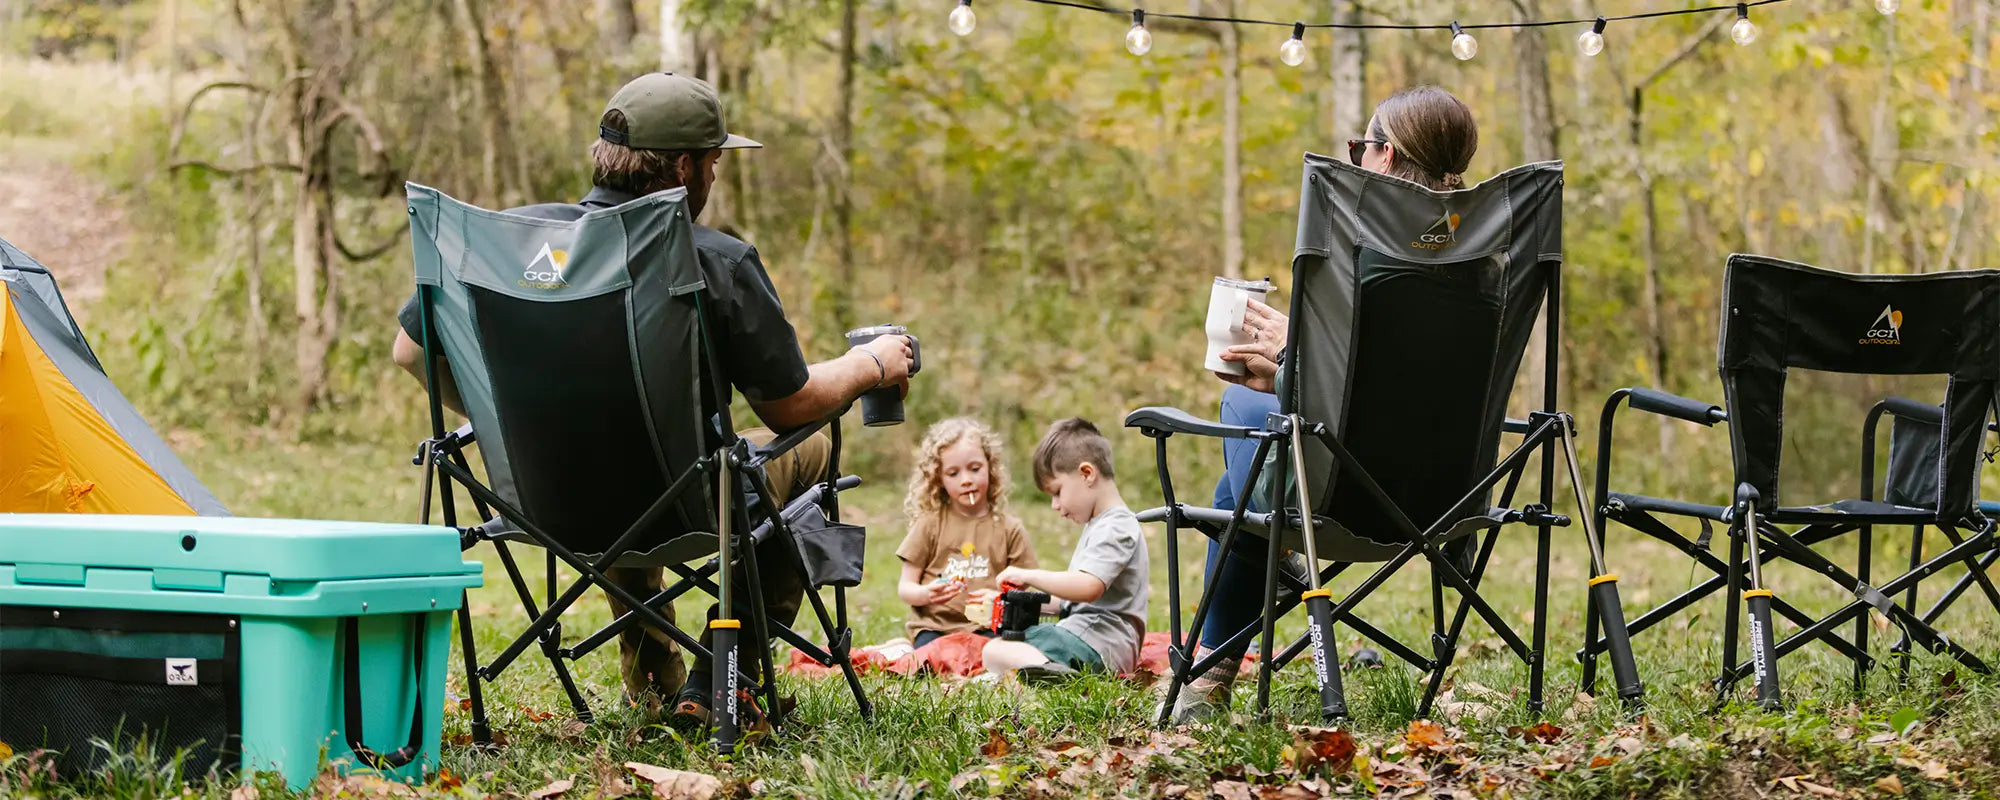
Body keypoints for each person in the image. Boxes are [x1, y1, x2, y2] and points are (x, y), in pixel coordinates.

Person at [388, 72, 918, 728]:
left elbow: (409, 352)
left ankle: (653, 681)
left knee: (616, 457)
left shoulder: (511, 245)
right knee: (804, 453)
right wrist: (869, 364)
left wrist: (508, 421)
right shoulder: (715, 261)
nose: (715, 178)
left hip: (542, 500)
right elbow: (789, 406)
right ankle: (732, 673)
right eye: (716, 162)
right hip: (679, 506)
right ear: (687, 169)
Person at [1160, 85, 1480, 722]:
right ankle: (1221, 655)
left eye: (1362, 149)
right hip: (1450, 499)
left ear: (1384, 159)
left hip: (1340, 499)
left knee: (1243, 427)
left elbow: (1357, 409)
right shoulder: (1479, 257)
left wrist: (1288, 359)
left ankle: (1217, 658)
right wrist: (1294, 363)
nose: (1357, 160)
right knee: (1256, 448)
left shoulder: (1361, 258)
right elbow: (1401, 395)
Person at [977, 418, 1149, 681]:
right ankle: (1042, 672)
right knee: (1002, 645)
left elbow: (1088, 587)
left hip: (1100, 646)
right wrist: (1018, 603)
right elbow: (1073, 600)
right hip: (1090, 639)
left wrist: (1031, 575)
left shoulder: (1116, 527)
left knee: (995, 650)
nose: (1055, 505)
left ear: (1087, 474)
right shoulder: (1100, 524)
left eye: (1057, 492)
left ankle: (1059, 678)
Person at [894, 418, 1039, 648]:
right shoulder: (930, 524)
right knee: (931, 660)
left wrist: (1002, 601)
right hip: (936, 629)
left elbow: (1025, 589)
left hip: (989, 630)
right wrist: (925, 594)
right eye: (953, 473)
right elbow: (906, 587)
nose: (967, 480)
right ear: (938, 479)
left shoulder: (1009, 529)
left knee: (1001, 656)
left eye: (975, 469)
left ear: (990, 468)